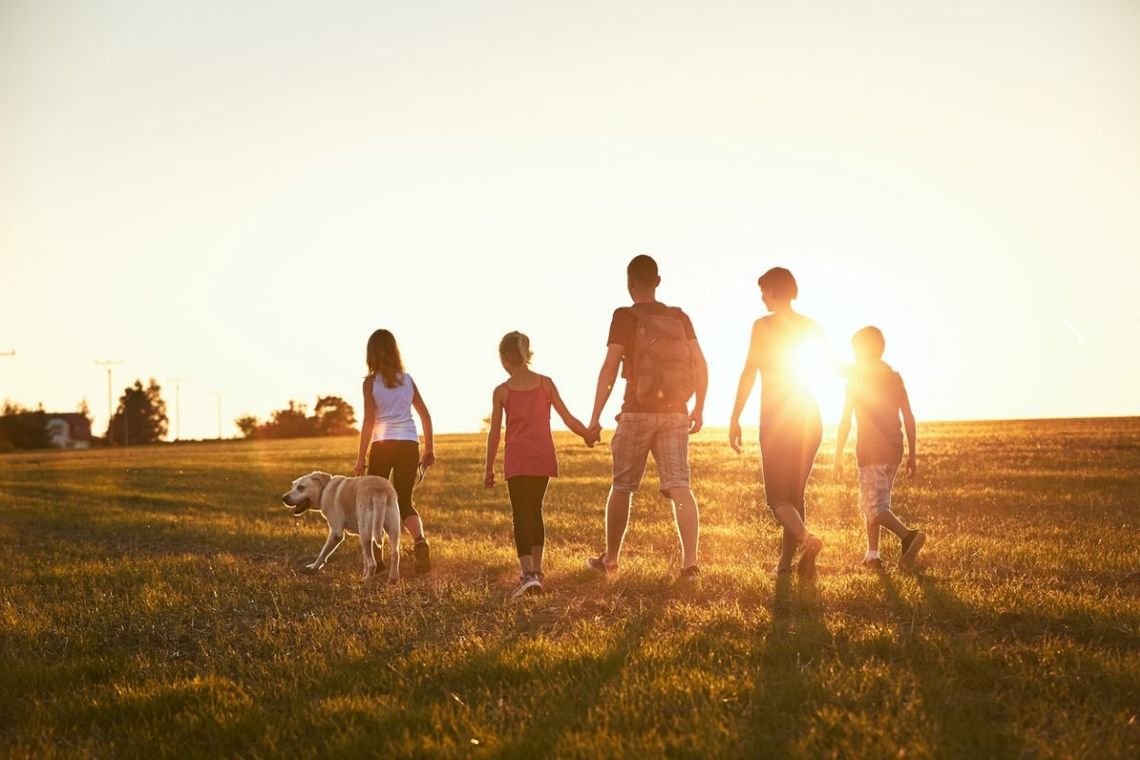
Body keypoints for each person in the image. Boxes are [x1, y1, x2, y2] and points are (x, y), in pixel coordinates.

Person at [585, 254, 709, 579]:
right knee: (680, 486)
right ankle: (690, 563)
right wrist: (699, 407)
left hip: (636, 412)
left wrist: (595, 417)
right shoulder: (679, 317)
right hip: (675, 413)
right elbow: (701, 363)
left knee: (622, 486)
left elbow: (610, 368)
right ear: (658, 281)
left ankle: (610, 560)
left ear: (629, 284)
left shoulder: (624, 316)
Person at [729, 267, 827, 579]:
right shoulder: (810, 326)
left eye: (763, 290)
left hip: (777, 420)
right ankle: (786, 565)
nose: (761, 297)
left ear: (773, 289)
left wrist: (734, 418)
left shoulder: (763, 326)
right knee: (795, 496)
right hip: (810, 418)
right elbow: (832, 366)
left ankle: (806, 540)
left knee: (777, 499)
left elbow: (748, 372)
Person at [484, 331, 598, 597]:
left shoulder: (502, 391)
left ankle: (527, 575)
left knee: (520, 514)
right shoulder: (545, 384)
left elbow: (495, 434)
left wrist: (489, 467)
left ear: (504, 358)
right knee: (535, 510)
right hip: (541, 457)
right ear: (527, 354)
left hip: (518, 458)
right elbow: (568, 417)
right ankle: (537, 571)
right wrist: (588, 435)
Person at [833, 326, 925, 572]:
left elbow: (845, 420)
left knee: (874, 507)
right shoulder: (894, 377)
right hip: (895, 450)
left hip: (870, 452)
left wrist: (837, 455)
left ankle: (908, 536)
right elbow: (908, 416)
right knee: (876, 502)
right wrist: (912, 455)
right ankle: (872, 556)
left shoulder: (857, 378)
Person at [353, 329, 435, 574]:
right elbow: (425, 415)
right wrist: (429, 448)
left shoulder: (370, 383)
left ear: (372, 354)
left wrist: (360, 460)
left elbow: (369, 421)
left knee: (374, 501)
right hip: (409, 443)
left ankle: (377, 560)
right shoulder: (407, 380)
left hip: (382, 445)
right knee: (405, 500)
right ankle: (420, 540)